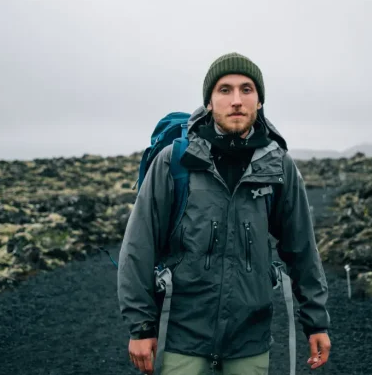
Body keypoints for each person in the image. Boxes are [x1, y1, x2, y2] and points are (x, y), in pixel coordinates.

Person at [117, 52, 331, 375]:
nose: (236, 100)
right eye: (225, 90)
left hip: (249, 338)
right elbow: (138, 246)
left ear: (259, 101)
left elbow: (302, 249)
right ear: (209, 101)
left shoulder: (278, 166)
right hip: (182, 335)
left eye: (247, 90)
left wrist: (316, 321)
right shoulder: (174, 162)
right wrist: (141, 327)